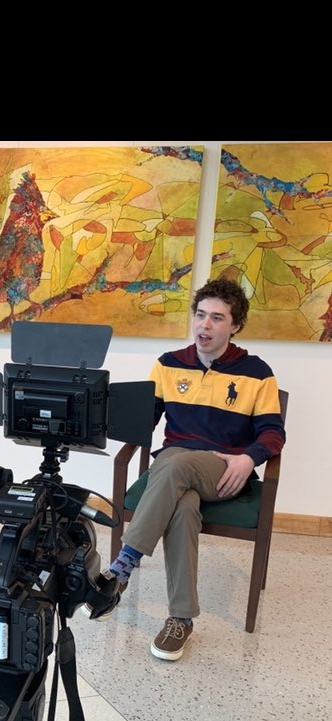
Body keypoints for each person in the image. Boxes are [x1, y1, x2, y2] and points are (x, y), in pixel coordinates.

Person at [104, 277, 285, 661]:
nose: (205, 325)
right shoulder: (168, 364)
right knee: (183, 506)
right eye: (201, 315)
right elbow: (143, 421)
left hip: (224, 471)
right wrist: (106, 411)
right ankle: (181, 618)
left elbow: (273, 432)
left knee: (175, 462)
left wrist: (248, 458)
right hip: (175, 471)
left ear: (235, 326)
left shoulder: (257, 373)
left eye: (217, 318)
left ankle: (123, 563)